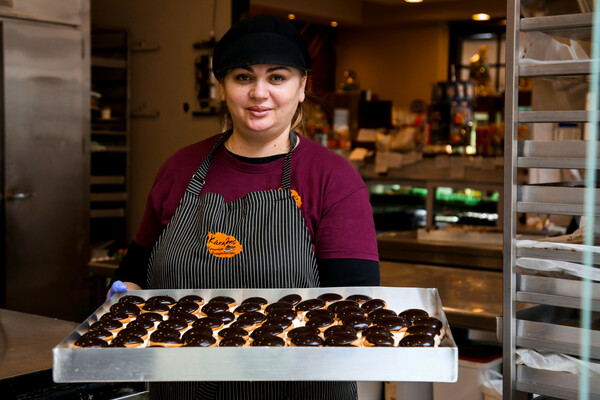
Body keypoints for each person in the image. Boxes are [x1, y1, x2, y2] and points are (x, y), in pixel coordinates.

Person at [108, 14, 379, 400]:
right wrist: (125, 294)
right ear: (223, 87)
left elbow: (354, 310)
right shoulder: (179, 168)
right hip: (182, 390)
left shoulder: (332, 178)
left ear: (302, 86)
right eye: (243, 77)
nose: (259, 93)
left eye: (278, 77)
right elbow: (135, 274)